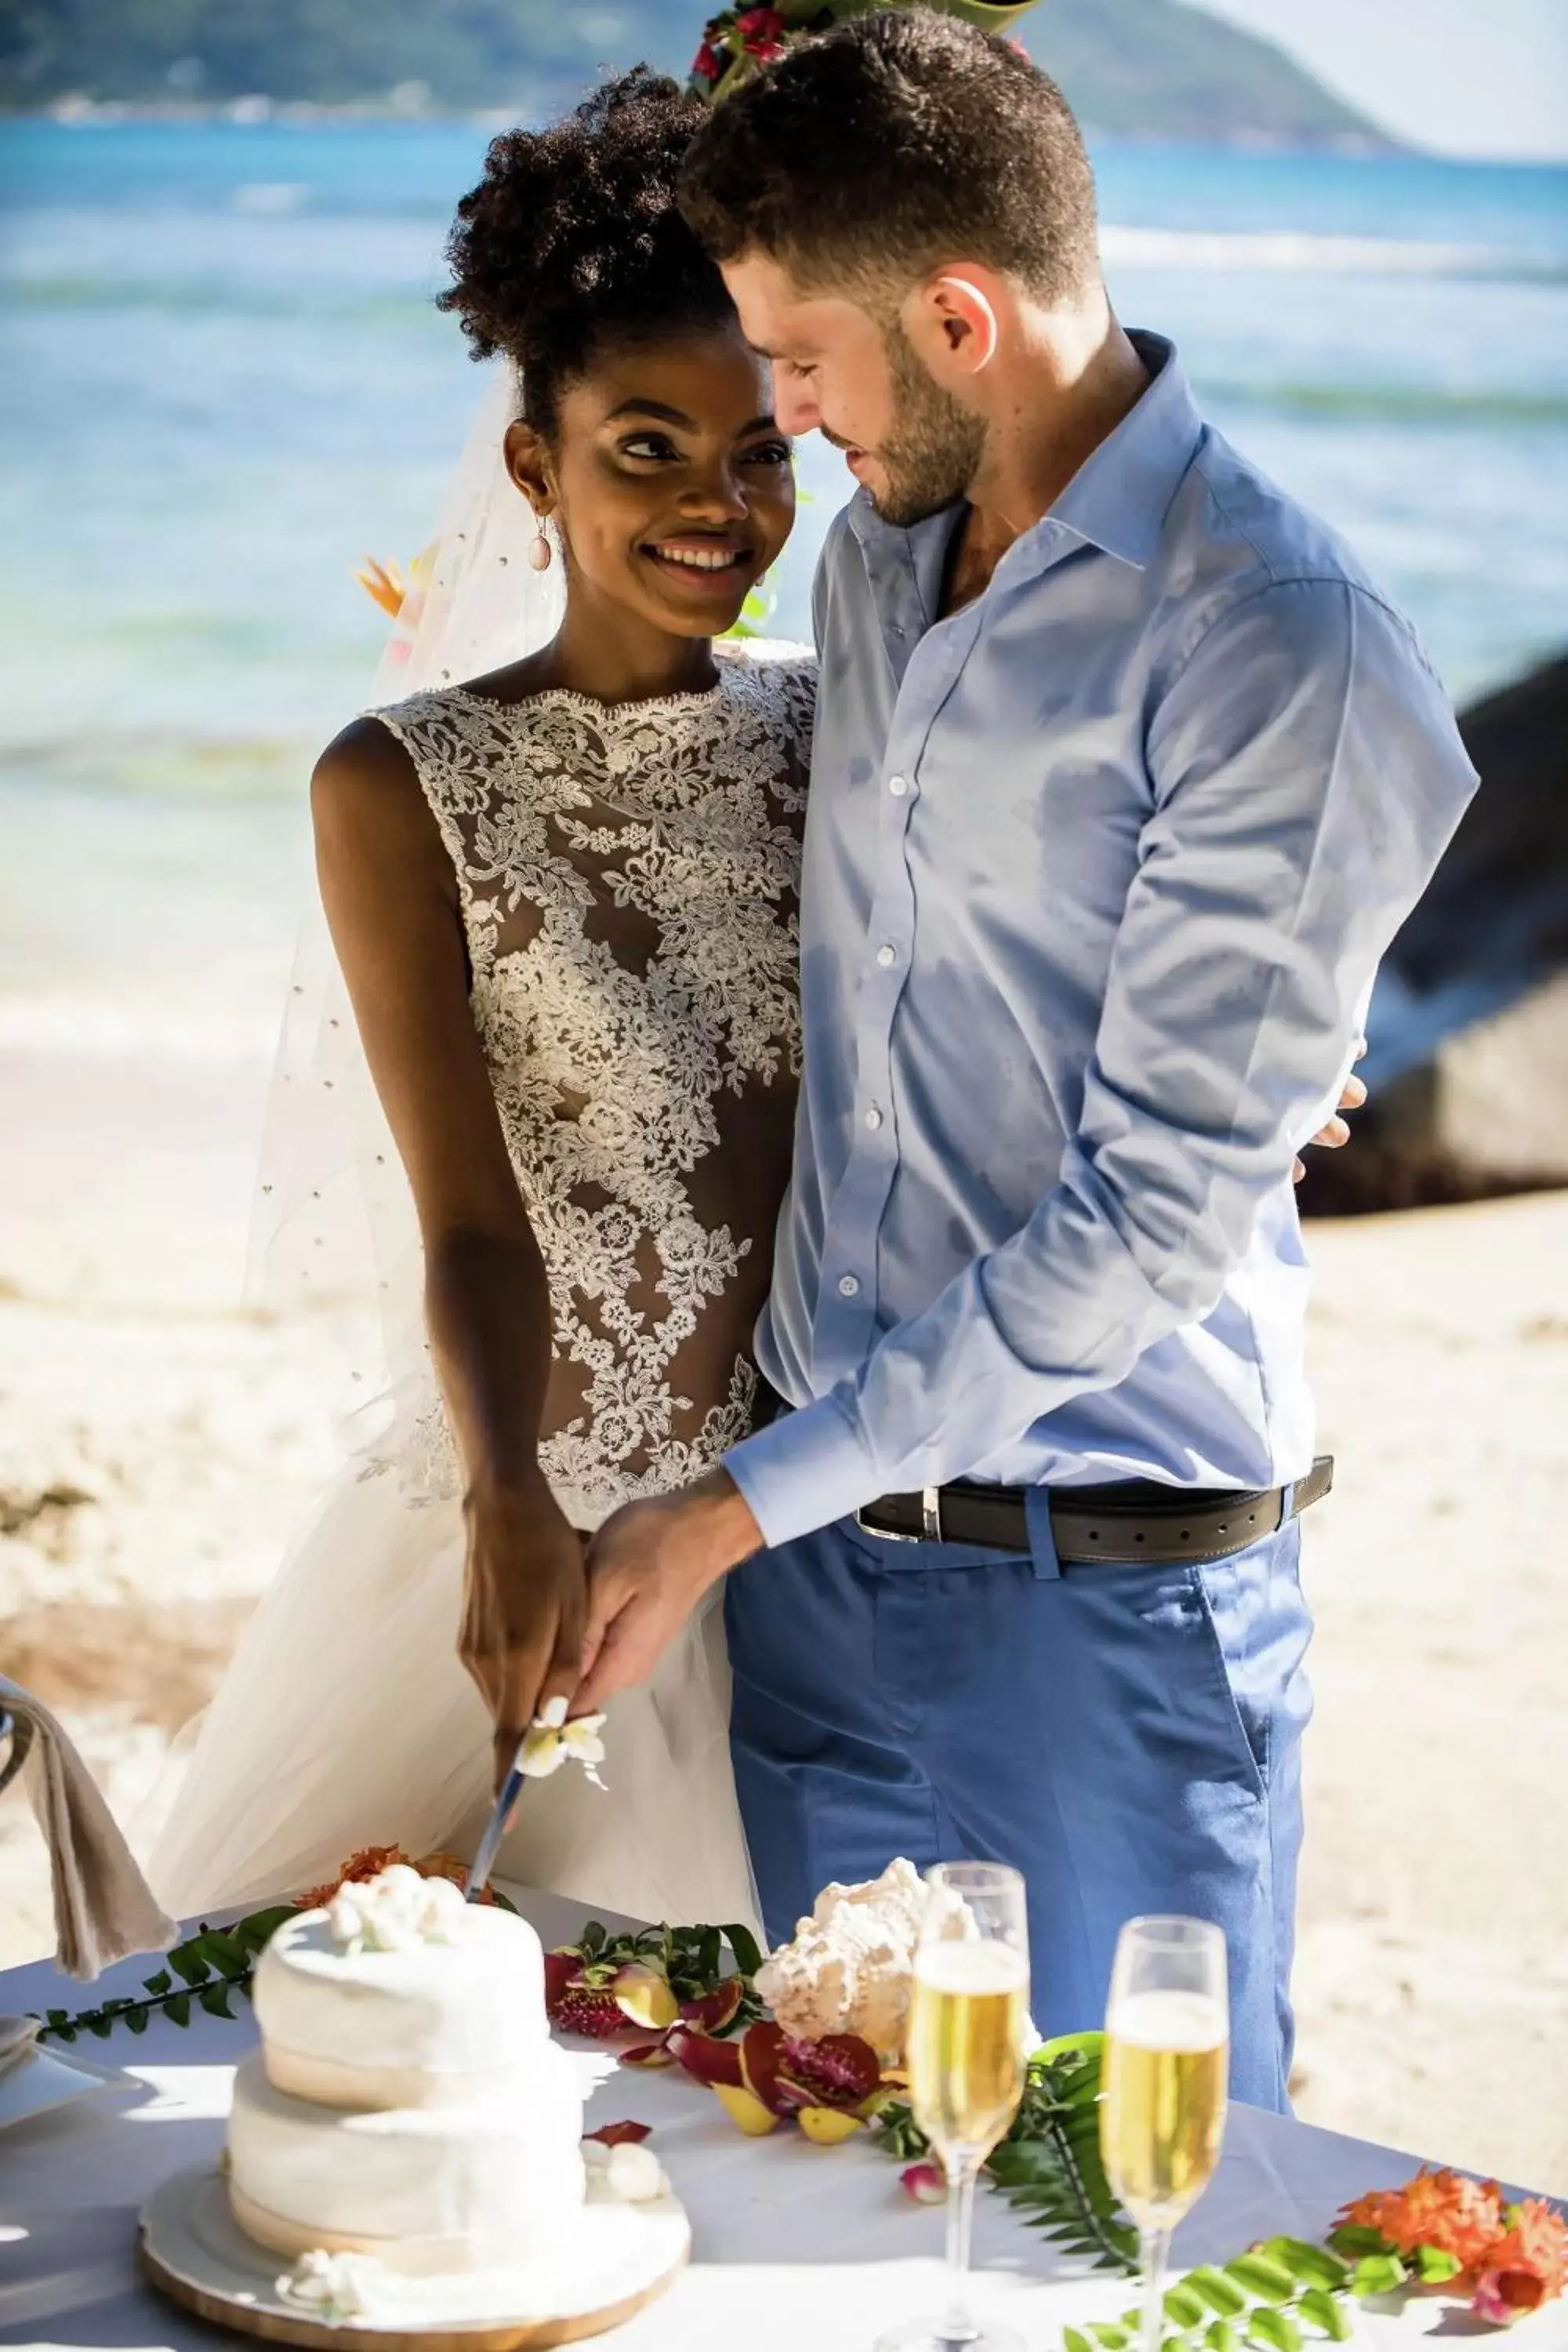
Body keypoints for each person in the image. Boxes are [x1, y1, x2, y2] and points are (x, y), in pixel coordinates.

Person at [568, 13, 1479, 2109]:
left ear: (962, 316)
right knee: (833, 2207)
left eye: (799, 358)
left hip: (1101, 1622)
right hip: (815, 1580)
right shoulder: (882, 554)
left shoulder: (1281, 641)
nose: (779, 418)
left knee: (1138, 2265)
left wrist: (720, 1513)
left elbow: (1148, 1223)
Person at [144, 70, 810, 1929]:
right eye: (647, 448)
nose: (717, 503)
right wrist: (505, 1490)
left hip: (785, 1543)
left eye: (758, 449)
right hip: (535, 1518)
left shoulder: (843, 735)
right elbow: (460, 1206)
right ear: (536, 465)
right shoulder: (400, 780)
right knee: (360, 2055)